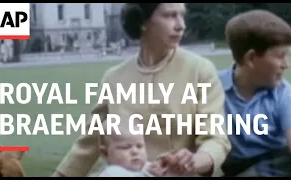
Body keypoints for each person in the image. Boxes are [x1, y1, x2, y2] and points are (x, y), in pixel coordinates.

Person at [52, 3, 231, 177]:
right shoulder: (114, 78)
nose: (181, 25)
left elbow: (215, 139)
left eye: (182, 15)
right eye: (170, 15)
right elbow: (89, 143)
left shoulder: (200, 70)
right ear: (142, 22)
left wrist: (195, 161)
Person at [219, 10, 291, 176]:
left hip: (278, 162)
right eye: (280, 56)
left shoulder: (283, 93)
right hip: (237, 167)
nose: (285, 65)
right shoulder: (213, 87)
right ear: (251, 58)